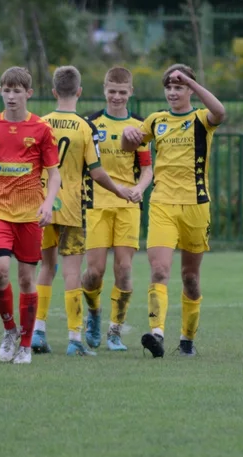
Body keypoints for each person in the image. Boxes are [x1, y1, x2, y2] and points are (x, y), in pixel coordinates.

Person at [121, 64, 225, 358]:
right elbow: (129, 147)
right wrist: (127, 136)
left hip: (196, 206)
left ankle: (187, 340)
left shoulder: (201, 118)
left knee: (190, 278)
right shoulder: (156, 120)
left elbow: (221, 112)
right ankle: (157, 335)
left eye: (179, 86)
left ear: (190, 89)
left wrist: (193, 81)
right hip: (162, 204)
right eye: (168, 86)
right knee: (159, 269)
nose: (172, 92)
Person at [33, 66, 134, 356]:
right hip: (74, 208)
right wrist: (120, 190)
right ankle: (74, 339)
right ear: (79, 92)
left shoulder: (40, 124)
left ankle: (38, 332)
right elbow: (98, 172)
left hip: (44, 206)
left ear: (54, 92)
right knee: (72, 273)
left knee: (45, 268)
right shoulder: (85, 127)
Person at [0, 66, 61, 365]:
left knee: (27, 279)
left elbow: (54, 174)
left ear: (29, 93)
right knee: (0, 271)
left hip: (28, 214)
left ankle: (25, 344)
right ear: (1, 91)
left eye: (17, 91)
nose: (11, 96)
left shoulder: (41, 129)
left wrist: (48, 204)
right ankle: (10, 330)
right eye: (6, 90)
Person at [81, 66, 153, 351]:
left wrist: (139, 188)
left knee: (124, 270)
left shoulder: (139, 126)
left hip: (128, 205)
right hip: (96, 204)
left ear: (131, 92)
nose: (117, 97)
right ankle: (94, 312)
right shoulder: (91, 124)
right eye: (112, 91)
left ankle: (114, 332)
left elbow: (147, 169)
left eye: (122, 92)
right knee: (94, 273)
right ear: (104, 90)